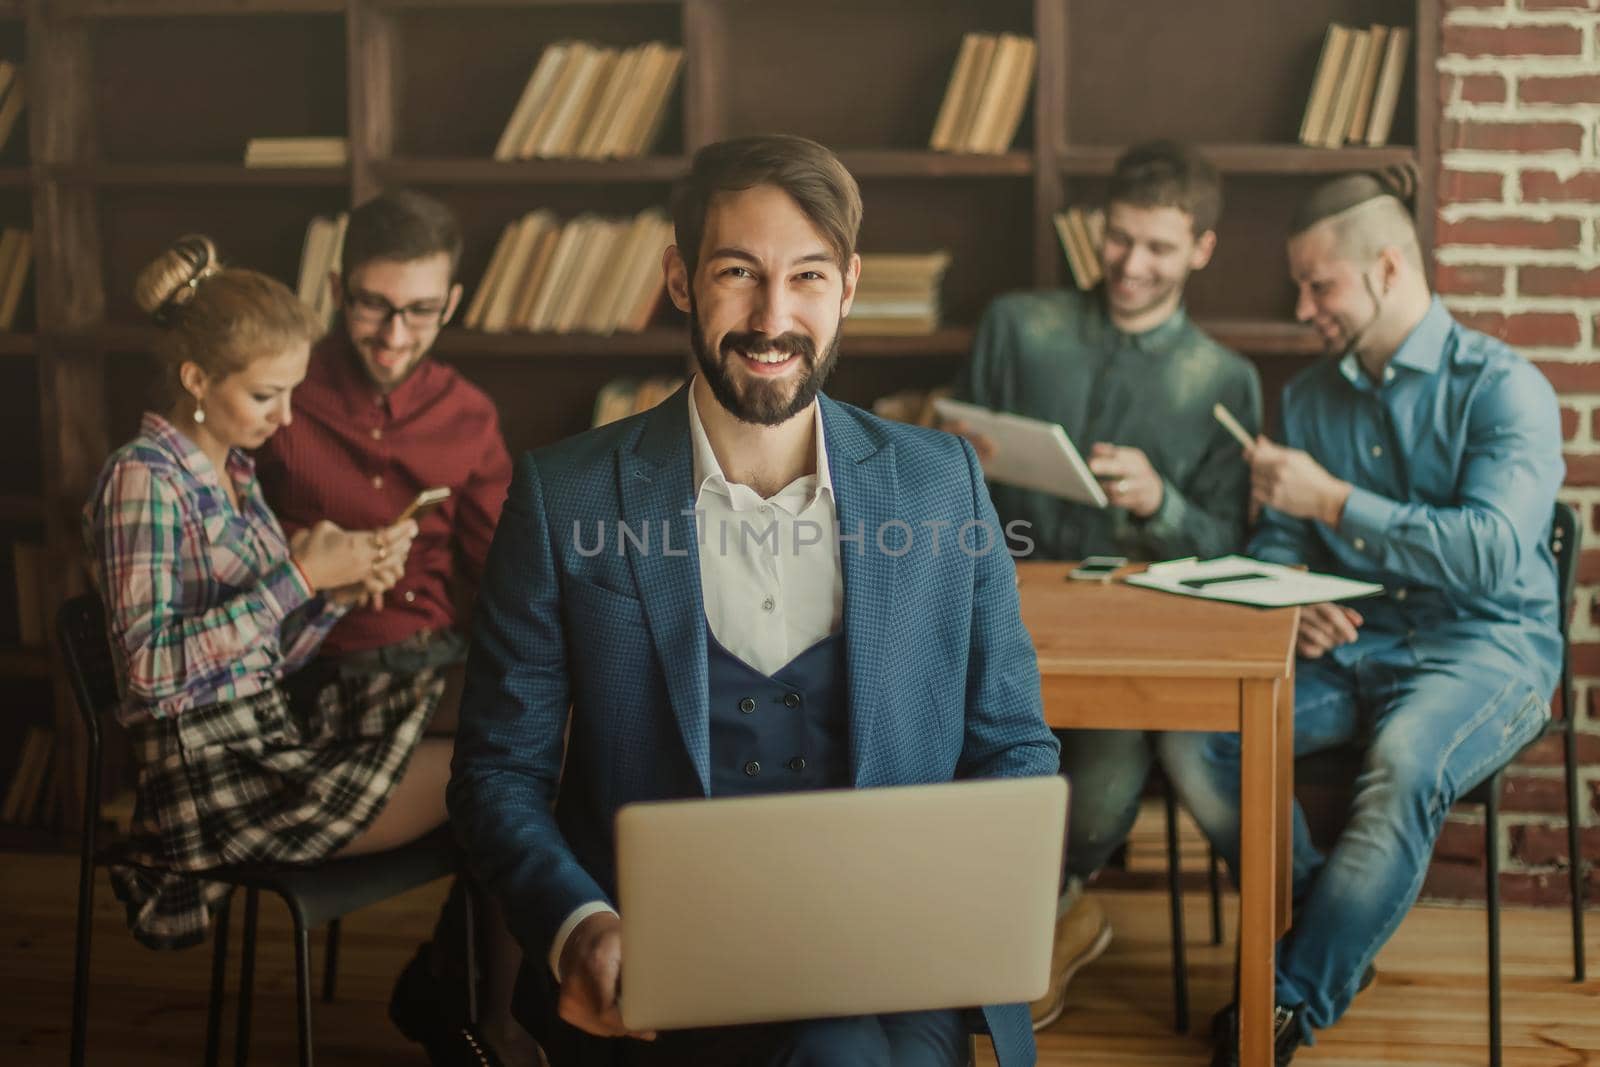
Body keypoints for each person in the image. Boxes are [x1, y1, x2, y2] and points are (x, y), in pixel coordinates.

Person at [448, 134, 1062, 1067]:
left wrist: (963, 911)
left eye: (808, 277)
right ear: (681, 280)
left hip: (895, 970)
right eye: (739, 272)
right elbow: (498, 772)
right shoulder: (562, 496)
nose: (774, 318)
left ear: (848, 287)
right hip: (657, 982)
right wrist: (579, 925)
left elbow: (1015, 744)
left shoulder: (942, 485)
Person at [1159, 174, 1564, 1066]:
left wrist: (1336, 501)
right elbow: (1275, 544)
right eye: (1299, 288)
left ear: (1387, 267)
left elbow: (1495, 551)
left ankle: (1285, 1001)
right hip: (1357, 644)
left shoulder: (1507, 388)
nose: (1304, 308)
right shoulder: (1307, 398)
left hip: (1490, 646)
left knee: (1405, 762)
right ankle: (1332, 919)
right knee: (1193, 734)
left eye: (1320, 285)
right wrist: (1289, 600)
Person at [952, 140, 1264, 1028]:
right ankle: (1019, 925)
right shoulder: (1017, 324)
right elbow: (955, 467)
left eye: (1159, 249)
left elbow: (1229, 548)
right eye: (1118, 239)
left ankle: (1045, 914)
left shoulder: (1224, 380)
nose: (1130, 265)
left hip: (1131, 631)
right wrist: (956, 457)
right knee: (941, 752)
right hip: (997, 603)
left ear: (1202, 248)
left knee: (1094, 802)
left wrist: (1161, 503)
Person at [84, 233, 436, 951]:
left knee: (503, 726)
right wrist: (301, 577)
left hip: (269, 742)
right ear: (196, 379)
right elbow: (150, 669)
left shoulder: (236, 476)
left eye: (292, 393)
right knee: (502, 779)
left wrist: (339, 590)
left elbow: (264, 657)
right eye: (264, 395)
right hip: (214, 782)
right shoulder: (143, 479)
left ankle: (479, 1013)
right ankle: (481, 1017)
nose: (284, 419)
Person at [253, 189, 525, 1065]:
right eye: (373, 305)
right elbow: (216, 561)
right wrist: (298, 555)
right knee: (524, 768)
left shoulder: (468, 414)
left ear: (453, 303)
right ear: (337, 287)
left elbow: (507, 573)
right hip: (321, 679)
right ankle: (467, 1008)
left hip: (437, 662)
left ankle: (468, 1003)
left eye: (420, 311)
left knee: (566, 733)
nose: (394, 334)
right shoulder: (276, 389)